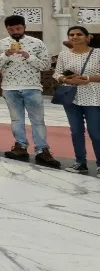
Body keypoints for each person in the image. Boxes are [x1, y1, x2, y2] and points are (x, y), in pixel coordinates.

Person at [0, 15, 59, 166]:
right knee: (16, 119)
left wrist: (29, 56)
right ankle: (20, 146)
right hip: (10, 88)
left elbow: (46, 65)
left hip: (32, 87)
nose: (15, 32)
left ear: (24, 27)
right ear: (7, 29)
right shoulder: (1, 44)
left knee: (38, 120)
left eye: (18, 28)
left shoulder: (36, 43)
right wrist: (5, 55)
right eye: (11, 29)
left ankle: (42, 149)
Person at [54, 26, 100, 176]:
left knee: (95, 132)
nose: (75, 37)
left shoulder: (98, 53)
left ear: (87, 37)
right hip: (71, 97)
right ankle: (80, 163)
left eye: (79, 34)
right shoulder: (64, 55)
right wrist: (67, 79)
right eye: (71, 34)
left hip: (93, 98)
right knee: (76, 131)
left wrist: (88, 78)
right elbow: (57, 74)